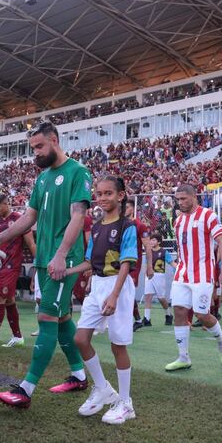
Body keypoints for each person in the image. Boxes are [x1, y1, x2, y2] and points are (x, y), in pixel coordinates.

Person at [0, 121, 91, 408]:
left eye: (39, 146)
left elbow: (78, 216)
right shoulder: (42, 177)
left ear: (54, 140)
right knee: (62, 319)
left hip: (64, 261)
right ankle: (79, 375)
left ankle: (26, 389)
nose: (35, 152)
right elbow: (29, 217)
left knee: (46, 317)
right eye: (32, 148)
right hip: (45, 259)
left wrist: (60, 254)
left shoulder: (78, 172)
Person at [66, 176, 138, 424]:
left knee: (118, 345)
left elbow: (126, 263)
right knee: (80, 338)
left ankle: (126, 403)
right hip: (97, 285)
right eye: (99, 194)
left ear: (120, 195)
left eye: (109, 193)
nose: (103, 198)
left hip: (117, 286)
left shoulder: (128, 226)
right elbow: (89, 261)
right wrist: (67, 270)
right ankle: (103, 388)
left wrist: (114, 295)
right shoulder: (96, 227)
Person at [164, 184, 222, 372]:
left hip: (203, 272)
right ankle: (183, 357)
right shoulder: (178, 221)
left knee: (201, 315)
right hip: (182, 273)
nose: (180, 202)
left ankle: (221, 339)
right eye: (178, 199)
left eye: (183, 198)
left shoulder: (208, 215)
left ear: (194, 197)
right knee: (179, 311)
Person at [0, 191, 36, 348]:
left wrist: (37, 266)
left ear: (5, 203)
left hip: (11, 267)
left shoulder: (19, 219)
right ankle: (18, 336)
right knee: (9, 301)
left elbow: (31, 244)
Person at [125, 200, 150, 331]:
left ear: (132, 209)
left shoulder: (140, 225)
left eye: (127, 207)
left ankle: (136, 319)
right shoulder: (121, 224)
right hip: (121, 262)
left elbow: (147, 247)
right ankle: (138, 320)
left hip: (134, 264)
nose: (124, 209)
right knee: (124, 292)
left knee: (128, 291)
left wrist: (149, 267)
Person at [143, 232, 176, 325]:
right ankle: (147, 318)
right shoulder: (148, 251)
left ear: (159, 242)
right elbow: (146, 265)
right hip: (149, 276)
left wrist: (179, 269)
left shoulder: (164, 252)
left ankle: (168, 314)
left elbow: (172, 263)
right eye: (151, 240)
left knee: (161, 298)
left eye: (154, 240)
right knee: (148, 296)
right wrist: (145, 274)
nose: (151, 241)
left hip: (159, 276)